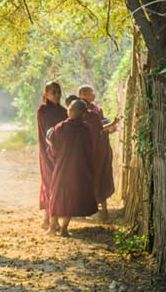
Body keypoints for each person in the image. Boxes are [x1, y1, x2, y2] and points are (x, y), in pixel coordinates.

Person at [46, 99, 98, 237]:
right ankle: (64, 229)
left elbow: (54, 148)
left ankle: (52, 228)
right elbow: (90, 150)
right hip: (78, 170)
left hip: (62, 168)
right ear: (84, 115)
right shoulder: (86, 129)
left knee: (56, 196)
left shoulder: (61, 127)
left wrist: (49, 146)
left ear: (70, 111)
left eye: (69, 108)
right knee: (70, 198)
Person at [77, 85, 117, 220]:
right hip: (86, 150)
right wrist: (108, 126)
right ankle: (83, 210)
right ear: (82, 94)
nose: (93, 94)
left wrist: (110, 126)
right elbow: (95, 127)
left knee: (100, 176)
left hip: (100, 148)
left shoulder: (96, 109)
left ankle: (103, 209)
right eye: (90, 92)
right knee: (86, 178)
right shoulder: (77, 109)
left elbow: (101, 124)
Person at [36, 82, 68, 230]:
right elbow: (48, 132)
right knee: (49, 183)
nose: (57, 95)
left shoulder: (64, 111)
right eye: (53, 92)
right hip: (47, 151)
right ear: (46, 94)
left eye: (58, 92)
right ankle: (48, 218)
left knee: (60, 184)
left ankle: (51, 219)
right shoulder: (42, 111)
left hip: (62, 153)